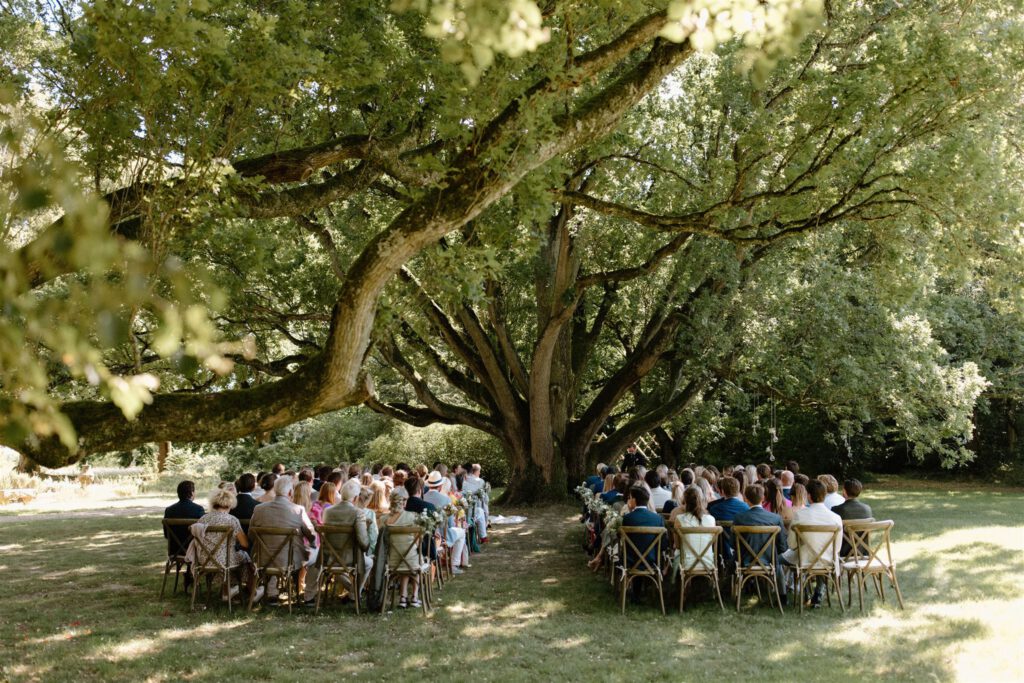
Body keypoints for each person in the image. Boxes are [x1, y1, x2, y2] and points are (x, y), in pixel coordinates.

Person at [249, 476, 317, 606]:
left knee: (274, 552)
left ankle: (272, 593)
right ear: (291, 492)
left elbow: (251, 535)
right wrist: (313, 544)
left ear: (275, 490)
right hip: (290, 560)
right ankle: (309, 598)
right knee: (315, 557)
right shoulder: (298, 510)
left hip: (264, 559)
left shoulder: (259, 509)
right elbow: (311, 534)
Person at [782, 480, 842, 607]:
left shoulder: (799, 515)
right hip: (827, 559)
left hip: (804, 559)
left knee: (776, 560)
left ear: (808, 496)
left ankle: (783, 595)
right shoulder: (836, 518)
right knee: (820, 557)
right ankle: (818, 593)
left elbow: (792, 544)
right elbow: (837, 547)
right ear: (825, 495)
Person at [190, 487, 253, 601]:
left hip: (204, 560)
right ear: (230, 505)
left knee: (226, 553)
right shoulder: (232, 520)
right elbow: (245, 544)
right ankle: (251, 591)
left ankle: (226, 591)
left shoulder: (203, 518)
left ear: (214, 503)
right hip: (224, 561)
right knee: (245, 557)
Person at [733, 483, 789, 603]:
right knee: (777, 560)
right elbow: (782, 545)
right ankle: (782, 596)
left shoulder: (739, 518)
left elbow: (734, 544)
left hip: (745, 559)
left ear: (746, 499)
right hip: (769, 560)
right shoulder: (775, 518)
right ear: (763, 498)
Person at [323, 479, 374, 594]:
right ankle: (354, 593)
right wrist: (367, 547)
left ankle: (352, 592)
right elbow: (363, 541)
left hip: (329, 557)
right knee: (369, 563)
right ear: (356, 498)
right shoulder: (358, 513)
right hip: (350, 558)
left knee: (336, 568)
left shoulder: (327, 511)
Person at [381, 488, 423, 608]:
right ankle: (414, 597)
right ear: (403, 501)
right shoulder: (413, 516)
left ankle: (403, 598)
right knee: (414, 558)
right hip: (411, 561)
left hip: (391, 561)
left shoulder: (384, 519)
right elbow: (418, 541)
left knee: (404, 558)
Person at [424, 471, 468, 573]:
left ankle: (448, 562)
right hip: (442, 534)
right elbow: (450, 523)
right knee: (461, 533)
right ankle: (454, 565)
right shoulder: (446, 499)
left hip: (427, 534)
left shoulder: (423, 497)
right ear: (440, 486)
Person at [164, 480, 205, 590]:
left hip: (175, 551)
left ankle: (189, 575)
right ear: (191, 493)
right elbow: (202, 534)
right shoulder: (198, 509)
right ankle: (192, 576)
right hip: (194, 551)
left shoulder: (169, 510)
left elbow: (166, 535)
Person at [621, 486, 664, 571]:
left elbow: (624, 540)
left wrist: (630, 510)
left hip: (631, 560)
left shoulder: (628, 518)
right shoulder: (658, 518)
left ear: (634, 500)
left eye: (629, 498)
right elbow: (663, 543)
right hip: (652, 560)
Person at [672, 486, 716, 570]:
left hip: (686, 563)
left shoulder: (679, 519)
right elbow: (711, 544)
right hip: (708, 562)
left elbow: (677, 546)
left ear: (685, 501)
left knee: (677, 552)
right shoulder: (711, 519)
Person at [831, 479, 873, 557]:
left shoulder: (837, 510)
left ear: (844, 491)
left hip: (843, 553)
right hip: (863, 553)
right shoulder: (867, 509)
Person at [461, 464, 489, 543]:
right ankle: (483, 535)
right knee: (481, 510)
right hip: (471, 510)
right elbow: (485, 499)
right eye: (479, 471)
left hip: (462, 508)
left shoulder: (462, 480)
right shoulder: (480, 481)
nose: (479, 473)